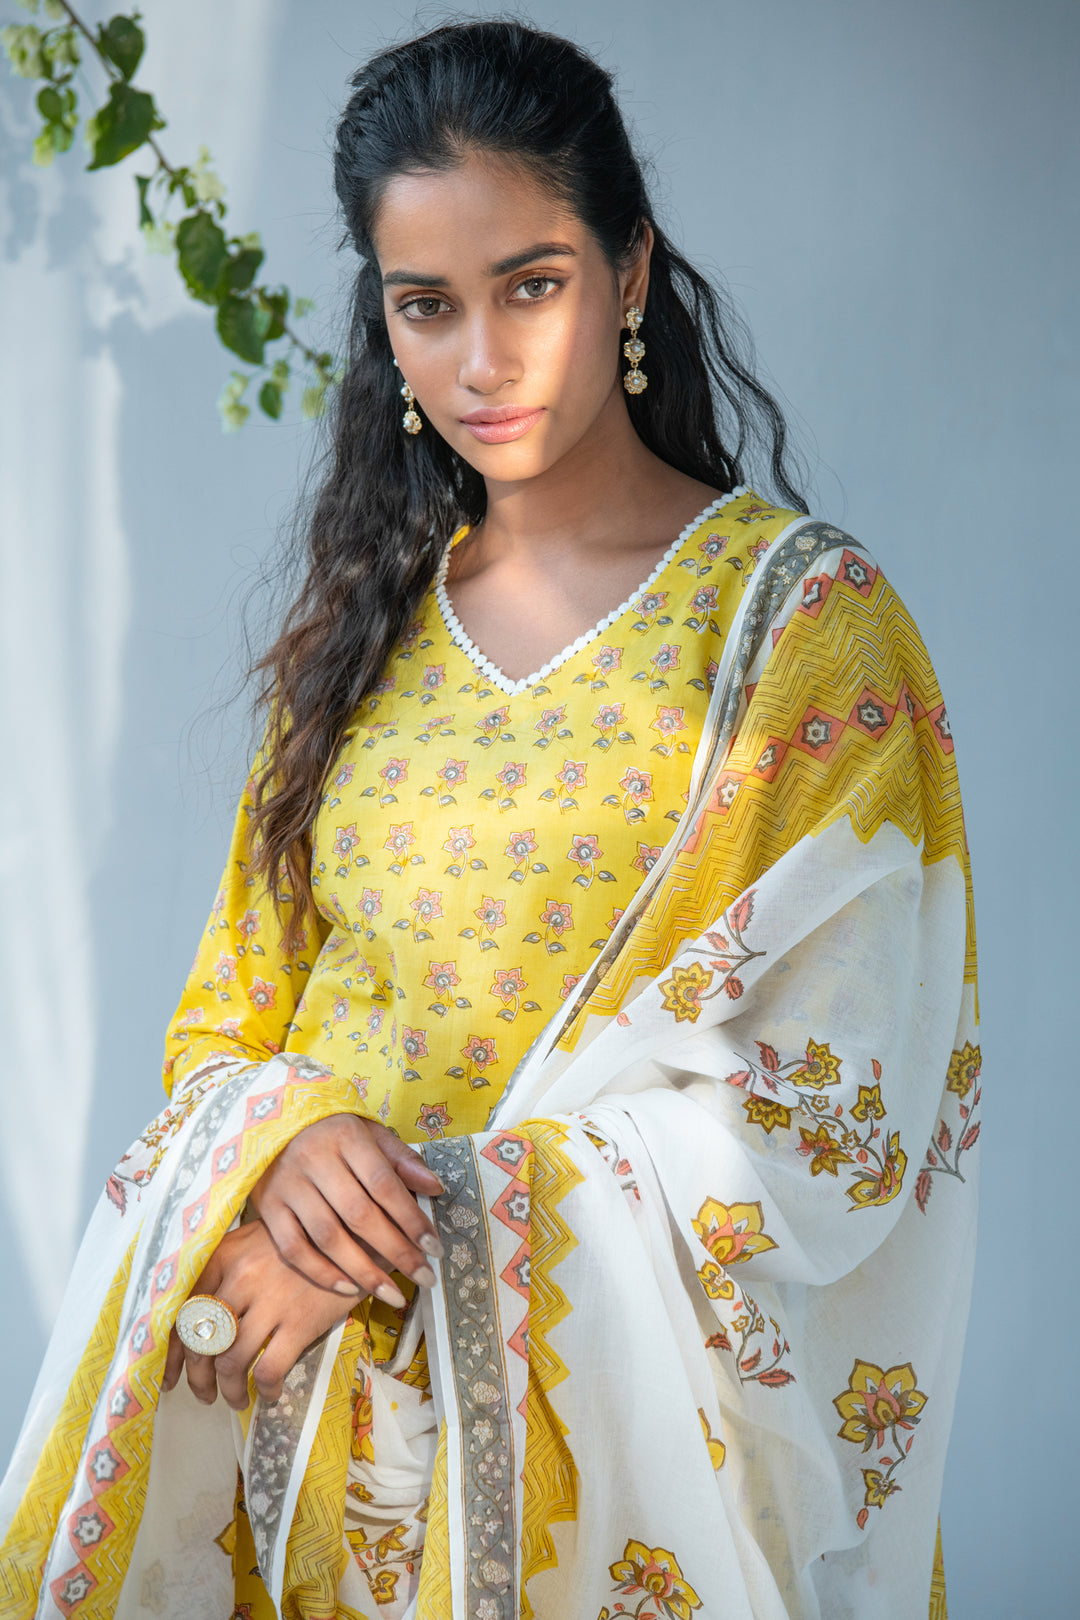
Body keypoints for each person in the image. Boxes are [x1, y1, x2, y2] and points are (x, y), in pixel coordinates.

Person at [0, 18, 978, 1620]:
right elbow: (230, 1016)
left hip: (607, 1493)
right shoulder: (365, 633)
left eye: (532, 285)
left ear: (630, 271)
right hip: (309, 1458)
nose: (480, 362)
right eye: (426, 306)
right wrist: (285, 1138)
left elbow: (832, 1105)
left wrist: (419, 1222)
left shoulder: (800, 636)